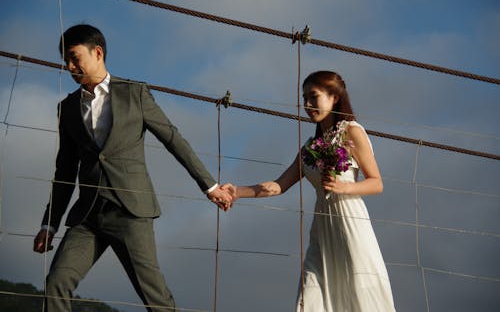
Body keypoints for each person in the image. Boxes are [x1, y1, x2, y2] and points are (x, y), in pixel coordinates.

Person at [33, 24, 233, 312]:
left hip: (131, 211)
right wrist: (49, 224)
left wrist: (210, 186)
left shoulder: (135, 93)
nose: (69, 66)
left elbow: (173, 139)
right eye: (65, 60)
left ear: (98, 53)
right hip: (88, 216)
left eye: (75, 57)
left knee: (155, 298)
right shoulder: (67, 108)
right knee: (55, 284)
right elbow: (64, 171)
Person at [222, 71, 396, 311]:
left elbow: (376, 182)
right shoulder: (309, 147)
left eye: (313, 97)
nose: (307, 105)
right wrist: (236, 192)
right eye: (304, 98)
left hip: (351, 224)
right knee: (310, 298)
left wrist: (345, 187)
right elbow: (279, 185)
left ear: (334, 97)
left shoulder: (352, 131)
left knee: (360, 293)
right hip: (322, 231)